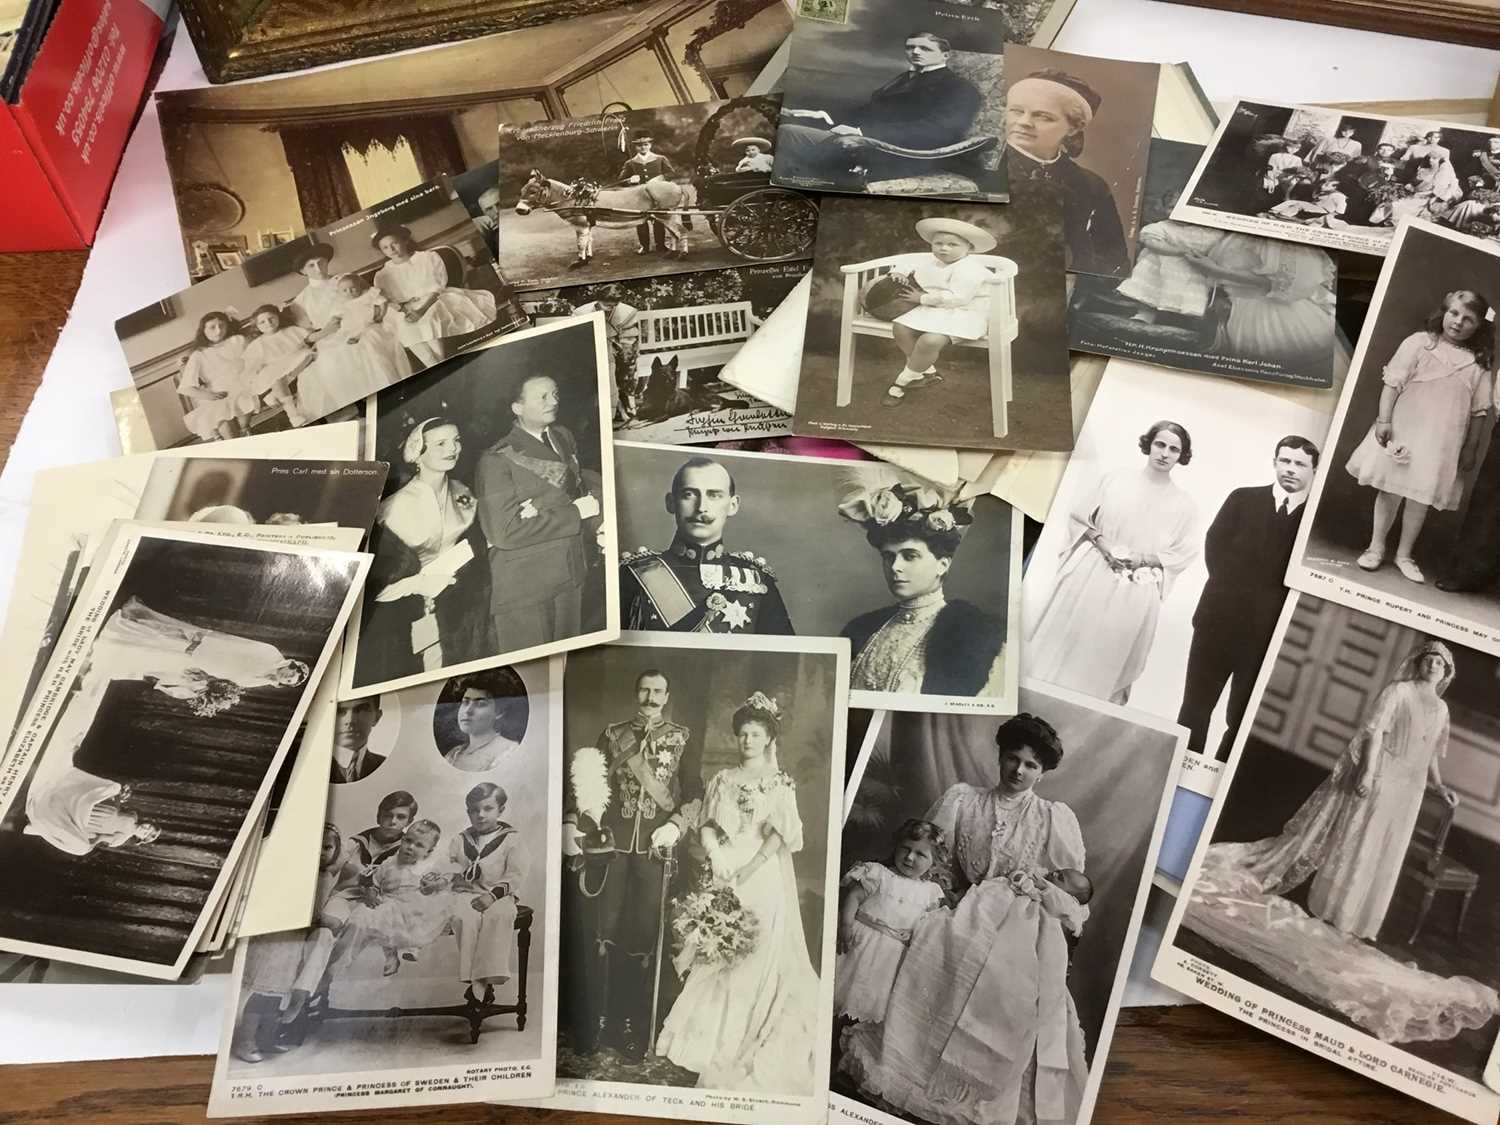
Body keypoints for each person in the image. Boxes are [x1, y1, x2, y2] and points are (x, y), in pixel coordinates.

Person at [840, 713, 1090, 1125]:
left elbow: (1070, 894)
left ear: (1042, 773)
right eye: (1013, 759)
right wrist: (951, 898)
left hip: (1018, 928)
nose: (1018, 770)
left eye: (1030, 765)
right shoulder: (963, 800)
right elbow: (934, 865)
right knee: (933, 940)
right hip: (961, 912)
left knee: (1014, 981)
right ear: (1000, 756)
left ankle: (973, 1084)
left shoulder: (1053, 818)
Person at [1204, 641, 1459, 940]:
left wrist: (1439, 786)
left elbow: (1429, 753)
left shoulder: (1441, 709)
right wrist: (1367, 771)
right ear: (1418, 663)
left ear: (1446, 672)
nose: (1433, 666)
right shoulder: (1398, 692)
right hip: (1383, 774)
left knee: (1388, 848)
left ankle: (1363, 921)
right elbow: (1375, 731)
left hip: (1410, 789)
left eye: (1439, 663)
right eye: (1428, 660)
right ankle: (1336, 909)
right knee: (1361, 839)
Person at [655, 692, 819, 1093]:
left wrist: (750, 867)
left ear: (768, 739)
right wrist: (716, 854)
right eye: (743, 733)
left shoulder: (780, 782)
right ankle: (704, 1039)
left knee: (753, 948)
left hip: (761, 871)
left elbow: (782, 835)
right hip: (725, 864)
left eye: (756, 734)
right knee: (717, 946)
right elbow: (708, 823)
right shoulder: (723, 779)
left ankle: (743, 1035)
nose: (747, 740)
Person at [562, 669, 701, 1056]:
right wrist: (572, 823)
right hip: (611, 849)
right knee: (603, 934)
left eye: (658, 691)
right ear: (635, 692)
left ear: (667, 695)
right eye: (644, 689)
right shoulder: (612, 733)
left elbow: (693, 791)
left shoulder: (682, 737)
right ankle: (596, 1023)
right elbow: (585, 781)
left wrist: (675, 825)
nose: (650, 697)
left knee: (640, 940)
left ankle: (629, 1024)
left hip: (655, 853)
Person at [1026, 421, 1200, 704]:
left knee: (1106, 657)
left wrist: (1141, 558)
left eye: (1173, 449)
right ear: (1149, 444)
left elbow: (1185, 552)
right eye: (1160, 444)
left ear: (1182, 455)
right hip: (1090, 575)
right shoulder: (1116, 479)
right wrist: (1105, 547)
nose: (1165, 453)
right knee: (1065, 646)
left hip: (1136, 588)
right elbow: (1080, 517)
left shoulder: (1184, 505)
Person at [1177, 436, 1320, 761]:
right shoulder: (1243, 499)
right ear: (1274, 462)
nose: (1290, 469)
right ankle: (1180, 768)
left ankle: (1213, 777)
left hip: (1265, 636)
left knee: (1240, 719)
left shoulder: (1313, 519)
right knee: (1195, 707)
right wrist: (1233, 593)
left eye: (1299, 464)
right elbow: (1214, 547)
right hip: (1216, 624)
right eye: (1284, 461)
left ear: (1314, 469)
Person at [1344, 290, 1493, 584]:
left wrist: (1471, 447)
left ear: (1479, 327)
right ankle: (1376, 547)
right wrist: (1384, 419)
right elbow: (1392, 384)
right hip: (1407, 427)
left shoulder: (1478, 364)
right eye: (1454, 314)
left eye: (1469, 319)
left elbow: (1479, 412)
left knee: (1421, 495)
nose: (1459, 322)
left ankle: (1404, 554)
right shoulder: (1420, 343)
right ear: (1444, 312)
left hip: (1442, 440)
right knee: (1391, 489)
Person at [837, 473, 1006, 697]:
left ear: (942, 564)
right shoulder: (861, 629)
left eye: (910, 555)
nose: (895, 566)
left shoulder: (973, 636)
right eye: (889, 556)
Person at [358, 416, 495, 685]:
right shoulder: (393, 508)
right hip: (407, 610)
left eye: (456, 441)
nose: (452, 449)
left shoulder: (463, 493)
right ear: (419, 452)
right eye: (441, 443)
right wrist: (419, 583)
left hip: (461, 606)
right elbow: (377, 585)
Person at [475, 374, 602, 650]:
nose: (553, 401)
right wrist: (574, 515)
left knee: (566, 669)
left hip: (571, 573)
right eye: (542, 397)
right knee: (533, 678)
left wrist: (597, 525)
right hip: (526, 585)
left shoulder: (562, 437)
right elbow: (504, 533)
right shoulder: (496, 459)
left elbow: (577, 489)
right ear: (517, 408)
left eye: (555, 393)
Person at [774, 31, 982, 190]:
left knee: (791, 138)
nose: (915, 52)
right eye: (910, 47)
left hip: (904, 155)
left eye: (925, 48)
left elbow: (940, 130)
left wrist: (864, 133)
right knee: (790, 133)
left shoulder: (959, 87)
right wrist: (825, 115)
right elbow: (872, 110)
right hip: (866, 143)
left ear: (945, 55)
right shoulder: (906, 78)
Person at [280, 790, 422, 1021]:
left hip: (378, 905)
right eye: (387, 814)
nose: (392, 821)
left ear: (410, 822)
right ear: (378, 815)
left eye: (400, 817)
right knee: (324, 933)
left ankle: (316, 989)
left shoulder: (410, 850)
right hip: (345, 898)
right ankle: (299, 998)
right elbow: (329, 870)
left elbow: (410, 888)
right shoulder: (356, 843)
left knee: (357, 925)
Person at [620, 456, 795, 633]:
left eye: (714, 495)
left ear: (733, 505)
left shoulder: (756, 579)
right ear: (671, 503)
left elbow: (783, 658)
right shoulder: (636, 573)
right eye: (689, 494)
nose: (702, 507)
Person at [231, 823, 345, 1062]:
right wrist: (324, 919)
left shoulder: (326, 875)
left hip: (296, 941)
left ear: (336, 850)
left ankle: (268, 1035)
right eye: (315, 846)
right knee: (265, 993)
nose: (321, 852)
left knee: (276, 994)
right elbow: (295, 909)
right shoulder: (295, 872)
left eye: (327, 847)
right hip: (279, 940)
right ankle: (246, 1039)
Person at [1005, 69, 1129, 276]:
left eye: (1043, 116)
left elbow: (1112, 254)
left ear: (1073, 128)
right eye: (1016, 111)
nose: (1024, 122)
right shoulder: (985, 164)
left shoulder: (1089, 184)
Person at [835, 818, 947, 1024]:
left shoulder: (930, 893)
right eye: (905, 848)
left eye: (920, 854)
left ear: (935, 862)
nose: (910, 857)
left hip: (891, 956)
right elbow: (854, 897)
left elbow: (929, 927)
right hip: (860, 941)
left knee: (867, 1000)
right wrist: (845, 925)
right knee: (840, 989)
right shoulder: (878, 873)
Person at [876, 217, 996, 408]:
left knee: (929, 341)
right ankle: (927, 372)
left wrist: (921, 298)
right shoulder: (931, 260)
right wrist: (899, 272)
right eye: (938, 243)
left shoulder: (970, 269)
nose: (943, 248)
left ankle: (901, 381)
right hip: (935, 308)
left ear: (969, 248)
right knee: (900, 327)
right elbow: (909, 262)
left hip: (966, 312)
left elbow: (959, 298)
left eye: (952, 244)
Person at [431, 782, 527, 1003]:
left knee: (499, 916)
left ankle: (484, 979)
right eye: (474, 810)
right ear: (468, 812)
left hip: (498, 894)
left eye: (487, 809)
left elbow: (515, 874)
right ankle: (473, 977)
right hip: (466, 893)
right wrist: (440, 877)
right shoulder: (460, 839)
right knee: (463, 916)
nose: (480, 815)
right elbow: (449, 865)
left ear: (500, 810)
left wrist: (492, 896)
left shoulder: (511, 838)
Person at [1192, 236, 1336, 369]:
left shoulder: (1277, 241)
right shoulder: (1233, 234)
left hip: (1274, 315)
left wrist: (1217, 271)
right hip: (1235, 312)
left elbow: (1284, 283)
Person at [332, 819, 450, 979]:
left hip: (412, 904)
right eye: (408, 841)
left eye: (419, 845)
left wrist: (433, 886)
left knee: (415, 913)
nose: (411, 847)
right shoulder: (390, 863)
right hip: (389, 900)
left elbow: (441, 884)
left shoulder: (427, 867)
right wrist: (372, 892)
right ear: (402, 840)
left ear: (428, 851)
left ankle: (411, 948)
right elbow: (375, 882)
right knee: (370, 914)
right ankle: (388, 956)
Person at [372, 224, 498, 366]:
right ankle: (433, 364)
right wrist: (404, 309)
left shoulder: (427, 258)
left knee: (429, 318)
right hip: (404, 308)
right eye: (386, 247)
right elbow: (388, 300)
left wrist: (422, 310)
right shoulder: (382, 275)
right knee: (402, 324)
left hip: (434, 299)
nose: (392, 250)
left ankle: (439, 360)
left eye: (394, 243)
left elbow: (437, 287)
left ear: (405, 240)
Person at [297, 272, 409, 422]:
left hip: (370, 323)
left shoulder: (351, 282)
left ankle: (387, 394)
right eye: (311, 266)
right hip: (346, 329)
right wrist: (329, 326)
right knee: (336, 354)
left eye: (321, 262)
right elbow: (333, 318)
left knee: (369, 345)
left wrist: (380, 315)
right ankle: (362, 404)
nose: (318, 268)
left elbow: (381, 301)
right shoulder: (312, 298)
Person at [177, 311, 257, 441]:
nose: (218, 331)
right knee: (220, 415)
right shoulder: (199, 354)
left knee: (243, 413)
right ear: (203, 330)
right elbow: (186, 388)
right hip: (219, 393)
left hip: (244, 385)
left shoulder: (238, 340)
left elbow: (256, 357)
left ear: (228, 326)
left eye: (222, 325)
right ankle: (230, 442)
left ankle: (244, 433)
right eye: (212, 327)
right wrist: (209, 396)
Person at [240, 305, 312, 426]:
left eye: (271, 318)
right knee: (277, 380)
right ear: (257, 326)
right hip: (275, 366)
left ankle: (274, 394)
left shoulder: (291, 330)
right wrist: (257, 370)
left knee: (309, 356)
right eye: (262, 322)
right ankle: (293, 415)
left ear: (278, 317)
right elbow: (252, 364)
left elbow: (307, 340)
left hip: (296, 358)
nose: (268, 323)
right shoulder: (257, 344)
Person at [441, 669, 525, 772]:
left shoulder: (508, 751)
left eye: (480, 704)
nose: (468, 711)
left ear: (499, 712)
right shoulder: (454, 754)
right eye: (465, 702)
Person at [617, 133, 676, 254]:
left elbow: (671, 174)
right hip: (639, 198)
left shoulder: (660, 159)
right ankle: (645, 246)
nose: (643, 148)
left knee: (659, 220)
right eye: (639, 146)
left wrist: (659, 178)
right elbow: (620, 181)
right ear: (635, 147)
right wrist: (629, 180)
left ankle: (660, 245)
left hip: (658, 196)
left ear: (650, 145)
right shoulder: (630, 163)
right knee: (641, 222)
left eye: (646, 144)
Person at [596, 286, 642, 421]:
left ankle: (628, 402)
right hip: (605, 348)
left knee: (627, 370)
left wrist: (623, 349)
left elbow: (630, 336)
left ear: (617, 304)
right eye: (604, 305)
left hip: (624, 347)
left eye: (611, 306)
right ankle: (615, 407)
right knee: (608, 369)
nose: (606, 308)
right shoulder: (590, 310)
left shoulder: (626, 313)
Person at [330, 696, 386, 784]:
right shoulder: (311, 765)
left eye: (361, 709)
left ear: (377, 717)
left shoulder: (386, 765)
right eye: (339, 711)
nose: (350, 720)